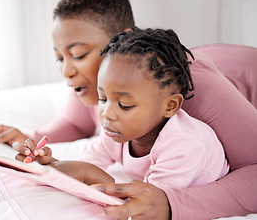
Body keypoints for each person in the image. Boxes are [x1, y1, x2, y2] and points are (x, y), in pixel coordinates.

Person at [0, 0, 257, 220]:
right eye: (59, 57)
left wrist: (173, 204)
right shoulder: (107, 85)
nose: (66, 71)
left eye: (78, 54)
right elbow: (74, 123)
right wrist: (31, 140)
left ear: (119, 39)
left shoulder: (191, 90)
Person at [15, 27, 230, 193]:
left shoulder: (185, 146)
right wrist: (53, 164)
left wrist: (93, 177)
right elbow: (87, 164)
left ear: (170, 106)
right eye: (103, 98)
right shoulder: (115, 132)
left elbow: (150, 201)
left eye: (124, 104)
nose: (107, 113)